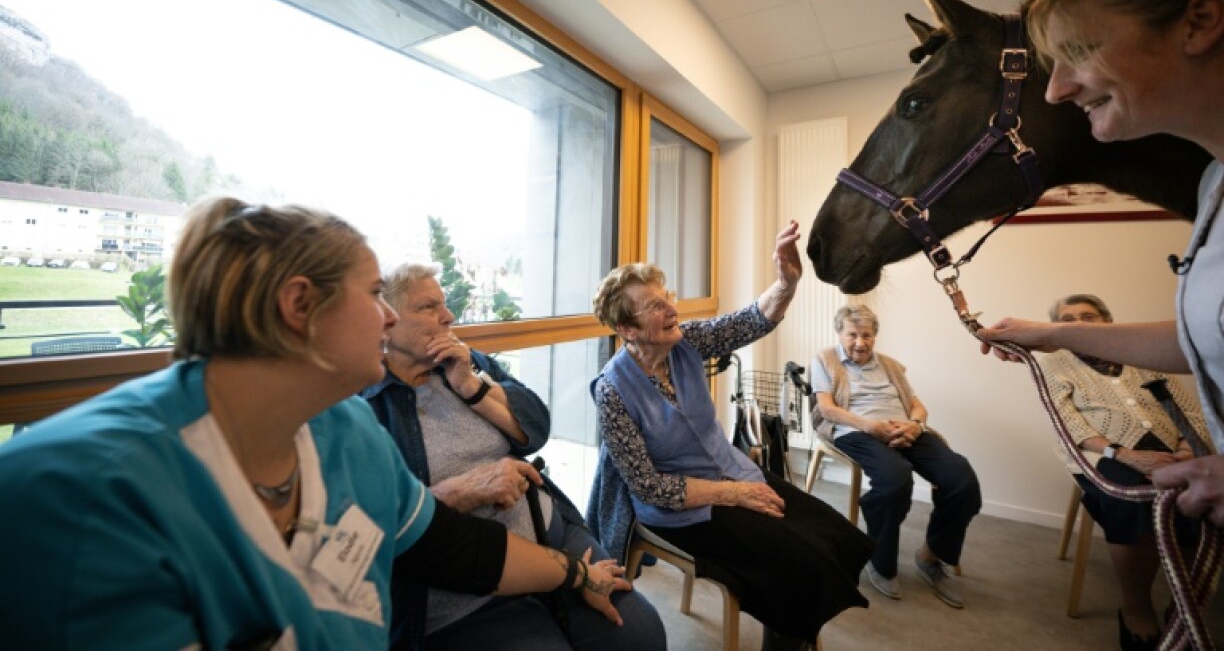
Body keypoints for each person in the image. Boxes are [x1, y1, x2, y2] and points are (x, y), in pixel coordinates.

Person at [0, 197, 627, 650]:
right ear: (300, 305)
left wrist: (575, 573)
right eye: (374, 295)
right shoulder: (79, 494)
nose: (389, 318)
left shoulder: (344, 432)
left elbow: (450, 547)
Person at [977, 0, 1224, 528]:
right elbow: (1203, 341)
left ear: (1199, 22)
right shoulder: (1214, 187)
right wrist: (1048, 334)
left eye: (1079, 51)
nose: (1057, 89)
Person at [587, 221, 873, 651]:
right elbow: (649, 487)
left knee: (830, 530)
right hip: (679, 507)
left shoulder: (684, 342)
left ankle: (791, 634)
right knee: (794, 559)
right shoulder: (612, 391)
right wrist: (734, 494)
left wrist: (787, 283)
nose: (671, 309)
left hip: (730, 471)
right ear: (627, 328)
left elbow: (748, 322)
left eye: (668, 297)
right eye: (655, 306)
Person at [362, 263, 666, 651]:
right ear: (387, 321)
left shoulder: (464, 361)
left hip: (548, 531)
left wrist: (470, 386)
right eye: (428, 307)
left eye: (445, 304)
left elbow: (536, 426)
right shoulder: (366, 408)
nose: (448, 316)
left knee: (641, 634)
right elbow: (382, 523)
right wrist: (464, 489)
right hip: (468, 589)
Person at [1037, 293, 1209, 650]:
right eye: (1067, 320)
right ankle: (1136, 605)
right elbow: (1066, 422)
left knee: (1199, 499)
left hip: (1170, 445)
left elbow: (1189, 412)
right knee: (1131, 502)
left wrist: (1185, 450)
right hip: (1100, 452)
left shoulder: (1141, 354)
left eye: (1088, 316)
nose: (1078, 324)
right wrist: (1125, 455)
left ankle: (1183, 604)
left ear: (1107, 322)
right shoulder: (1054, 364)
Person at [810, 304, 981, 609]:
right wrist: (870, 426)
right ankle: (881, 561)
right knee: (895, 480)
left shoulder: (889, 365)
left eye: (866, 335)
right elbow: (826, 408)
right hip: (857, 430)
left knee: (961, 479)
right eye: (852, 335)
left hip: (904, 429)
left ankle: (931, 557)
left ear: (875, 336)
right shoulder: (825, 359)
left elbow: (918, 406)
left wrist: (915, 426)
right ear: (839, 334)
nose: (860, 342)